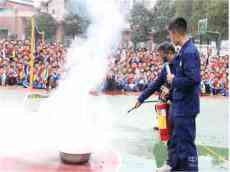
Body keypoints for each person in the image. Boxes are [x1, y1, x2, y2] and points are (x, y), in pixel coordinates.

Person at [158, 17, 200, 172]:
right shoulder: (183, 51)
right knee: (178, 141)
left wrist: (174, 80)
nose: (170, 38)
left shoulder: (189, 52)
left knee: (187, 144)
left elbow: (193, 79)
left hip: (186, 107)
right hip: (180, 105)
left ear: (175, 33)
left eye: (170, 35)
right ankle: (175, 167)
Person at [134, 42, 176, 130]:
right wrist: (140, 99)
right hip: (169, 96)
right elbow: (155, 84)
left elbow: (188, 83)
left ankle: (168, 127)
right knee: (160, 105)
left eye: (162, 55)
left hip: (181, 101)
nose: (160, 58)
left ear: (170, 53)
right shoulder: (166, 67)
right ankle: (162, 127)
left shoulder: (181, 64)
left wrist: (171, 91)